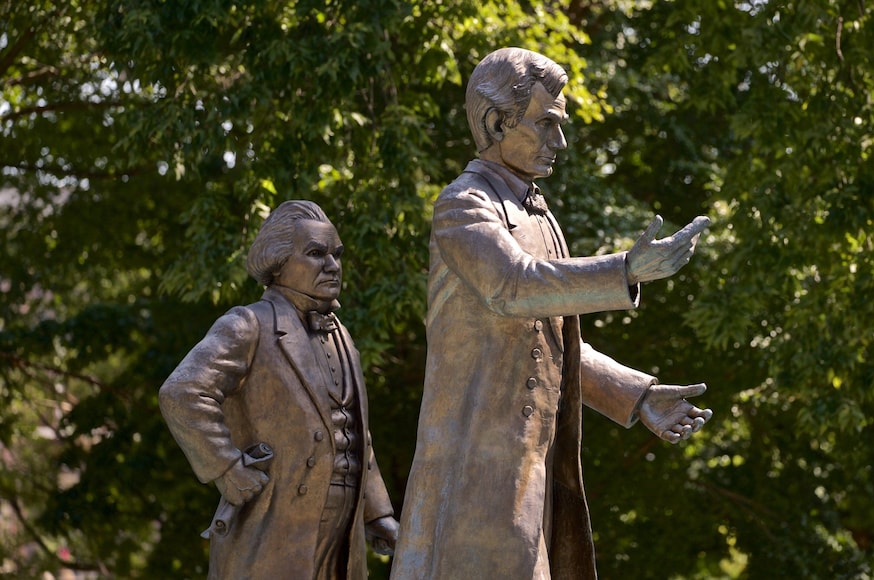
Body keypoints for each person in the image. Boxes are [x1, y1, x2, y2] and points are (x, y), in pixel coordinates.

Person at [391, 47, 713, 579]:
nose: (559, 142)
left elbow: (552, 340)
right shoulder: (464, 205)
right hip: (476, 472)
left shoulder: (538, 215)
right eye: (546, 124)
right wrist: (625, 270)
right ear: (497, 122)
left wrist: (637, 396)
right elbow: (514, 286)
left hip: (533, 473)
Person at [159, 200, 399, 579]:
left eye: (337, 254)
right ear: (278, 261)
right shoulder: (248, 325)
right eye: (317, 254)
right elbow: (183, 392)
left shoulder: (342, 334)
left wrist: (377, 511)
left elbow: (356, 433)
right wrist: (226, 466)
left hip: (342, 536)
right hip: (275, 527)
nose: (332, 265)